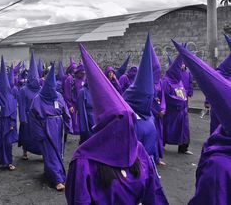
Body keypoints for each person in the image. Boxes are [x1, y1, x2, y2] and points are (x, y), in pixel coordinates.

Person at [65, 44, 168, 205]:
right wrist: (83, 129)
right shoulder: (83, 163)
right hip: (93, 119)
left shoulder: (138, 151)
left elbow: (153, 193)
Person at [172, 40, 231, 205]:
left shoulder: (186, 74)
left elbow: (188, 84)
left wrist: (188, 93)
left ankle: (183, 146)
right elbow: (213, 88)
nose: (183, 66)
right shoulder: (219, 167)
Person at [29, 63, 72, 191]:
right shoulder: (37, 100)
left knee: (58, 153)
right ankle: (57, 179)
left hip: (58, 130)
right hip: (46, 129)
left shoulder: (58, 96)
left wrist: (67, 125)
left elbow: (65, 112)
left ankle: (51, 173)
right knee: (50, 153)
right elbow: (33, 117)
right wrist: (40, 134)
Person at [123, 36, 159, 164]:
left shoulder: (150, 117)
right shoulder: (127, 119)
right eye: (146, 98)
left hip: (147, 165)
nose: (149, 100)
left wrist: (155, 159)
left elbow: (152, 142)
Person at [0, 56, 18, 170]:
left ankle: (8, 161)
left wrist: (12, 124)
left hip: (7, 124)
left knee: (7, 143)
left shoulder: (11, 97)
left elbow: (14, 112)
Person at [162, 52, 192, 154]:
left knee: (184, 130)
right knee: (167, 128)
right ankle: (161, 145)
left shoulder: (179, 80)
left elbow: (183, 91)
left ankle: (183, 148)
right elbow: (166, 95)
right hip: (172, 111)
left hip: (182, 111)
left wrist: (184, 101)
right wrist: (180, 102)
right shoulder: (166, 81)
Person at [18, 53, 42, 159]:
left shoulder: (41, 89)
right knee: (26, 135)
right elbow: (21, 105)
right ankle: (25, 151)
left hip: (37, 117)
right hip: (27, 117)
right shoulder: (23, 90)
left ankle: (41, 151)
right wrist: (22, 118)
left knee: (39, 135)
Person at [63, 58, 78, 136]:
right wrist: (70, 105)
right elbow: (67, 92)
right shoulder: (69, 79)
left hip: (74, 101)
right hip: (71, 102)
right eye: (74, 68)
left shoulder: (74, 78)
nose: (75, 70)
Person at [76, 80, 94, 144]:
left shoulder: (95, 90)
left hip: (95, 118)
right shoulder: (82, 92)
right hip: (87, 118)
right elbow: (81, 110)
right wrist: (83, 127)